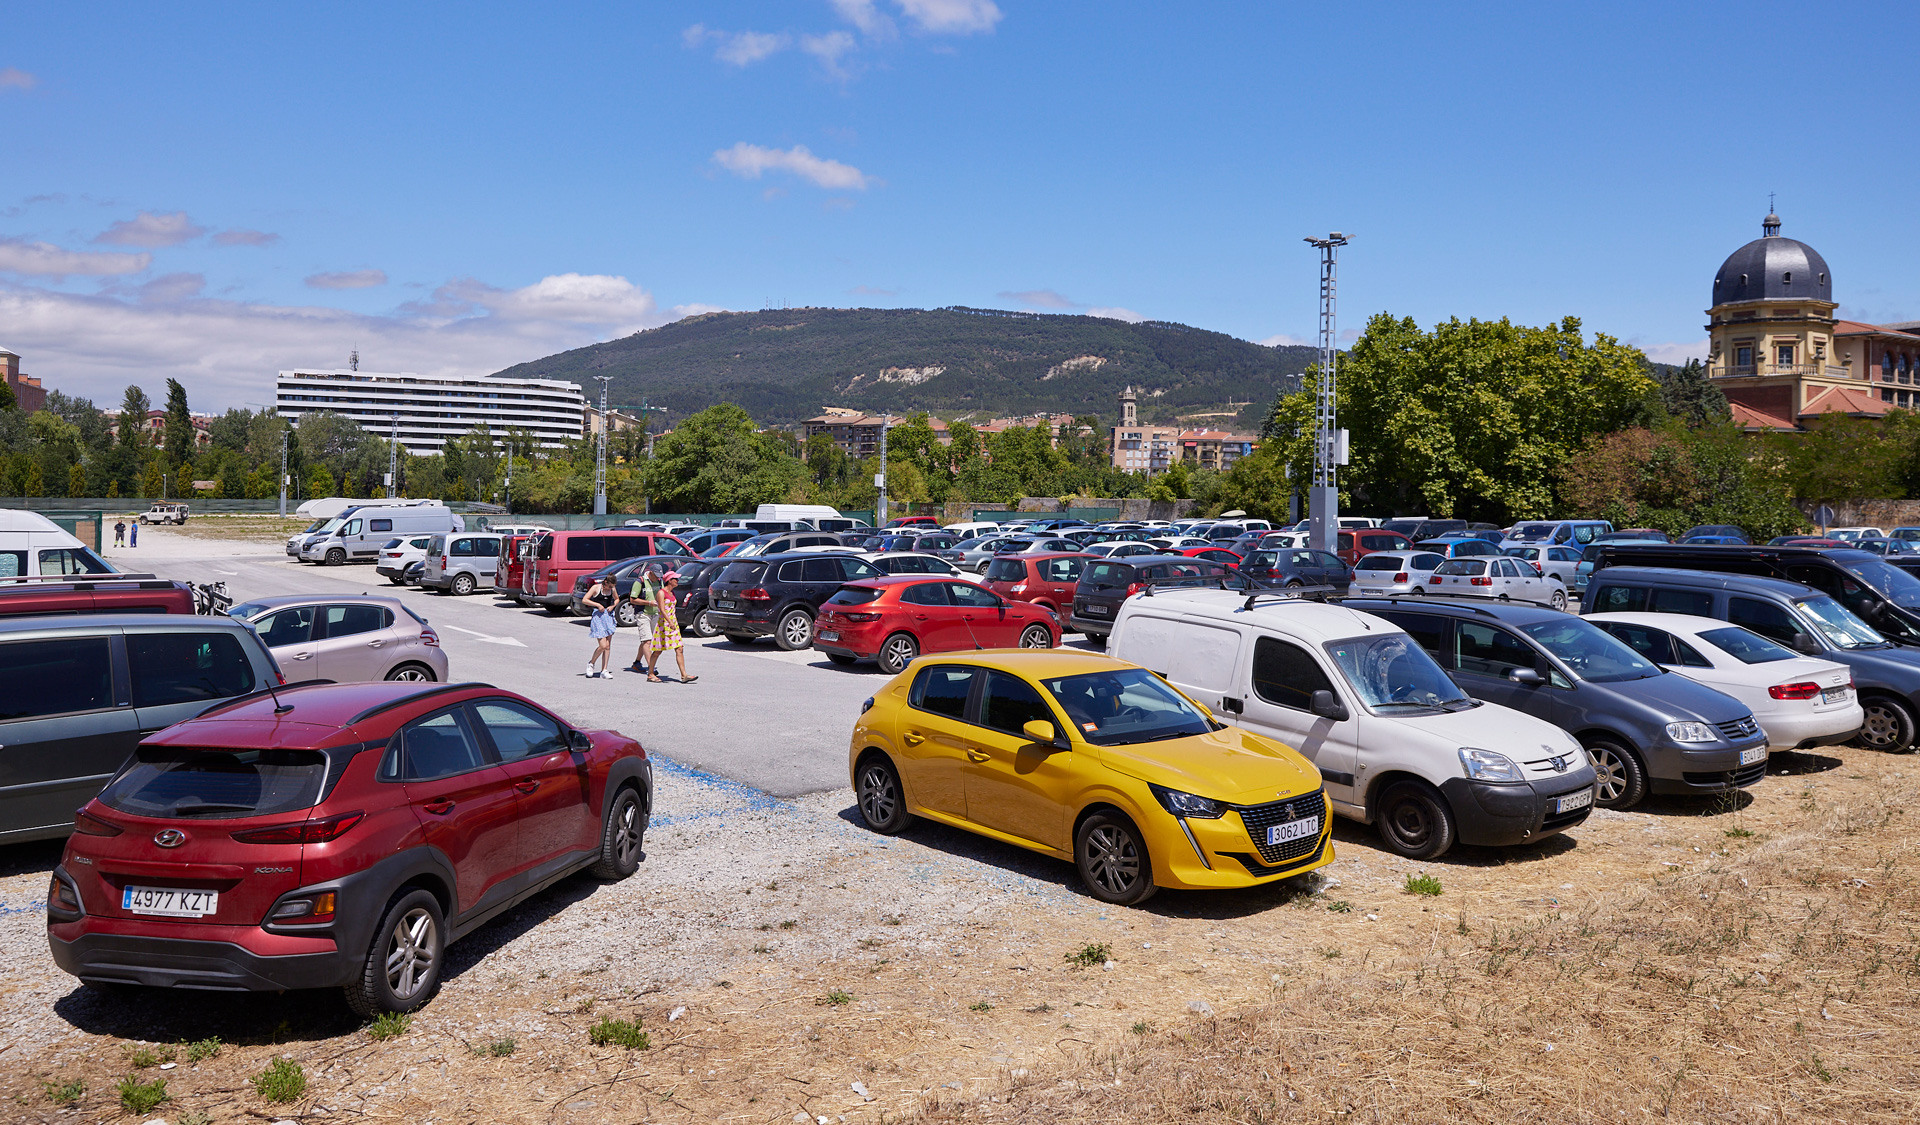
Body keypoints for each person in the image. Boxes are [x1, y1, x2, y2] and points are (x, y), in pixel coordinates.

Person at [646, 569, 696, 684]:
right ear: (669, 581)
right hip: (664, 625)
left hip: (673, 624)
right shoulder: (661, 593)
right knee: (658, 650)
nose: (677, 581)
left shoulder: (672, 593)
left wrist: (674, 622)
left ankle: (684, 675)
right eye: (675, 579)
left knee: (679, 648)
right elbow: (662, 609)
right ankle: (650, 673)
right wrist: (670, 622)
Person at [583, 574, 619, 679]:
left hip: (608, 616)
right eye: (610, 586)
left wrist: (613, 606)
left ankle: (604, 670)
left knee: (607, 646)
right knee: (602, 645)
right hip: (598, 617)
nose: (611, 588)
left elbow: (617, 599)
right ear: (606, 582)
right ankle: (591, 663)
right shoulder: (596, 588)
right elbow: (585, 599)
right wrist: (597, 605)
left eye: (612, 586)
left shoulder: (612, 589)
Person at [626, 566, 659, 676]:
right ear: (650, 573)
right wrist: (648, 603)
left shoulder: (659, 581)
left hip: (655, 614)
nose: (658, 579)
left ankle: (637, 662)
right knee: (647, 641)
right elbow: (632, 599)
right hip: (643, 613)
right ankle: (651, 668)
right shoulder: (640, 582)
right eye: (656, 576)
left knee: (647, 640)